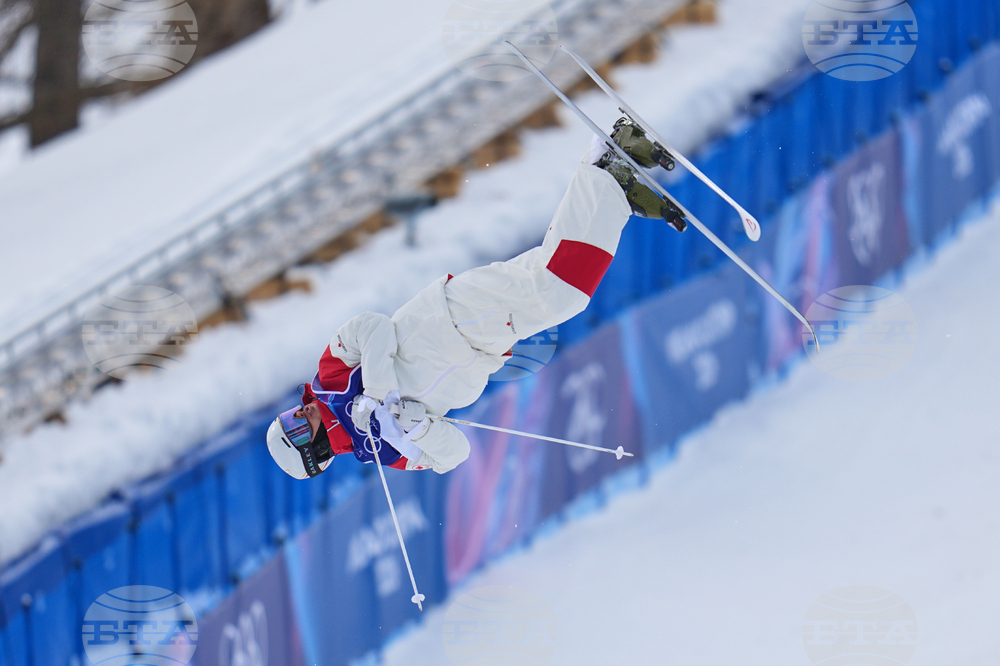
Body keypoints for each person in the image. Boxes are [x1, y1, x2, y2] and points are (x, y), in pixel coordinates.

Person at [266, 118, 685, 479]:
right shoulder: (386, 450)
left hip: (451, 316)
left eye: (290, 417)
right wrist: (416, 427)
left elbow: (372, 327)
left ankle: (607, 173)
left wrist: (376, 394)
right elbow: (454, 455)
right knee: (550, 273)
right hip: (483, 347)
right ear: (314, 453)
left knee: (559, 294)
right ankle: (611, 188)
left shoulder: (332, 379)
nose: (299, 416)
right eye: (296, 429)